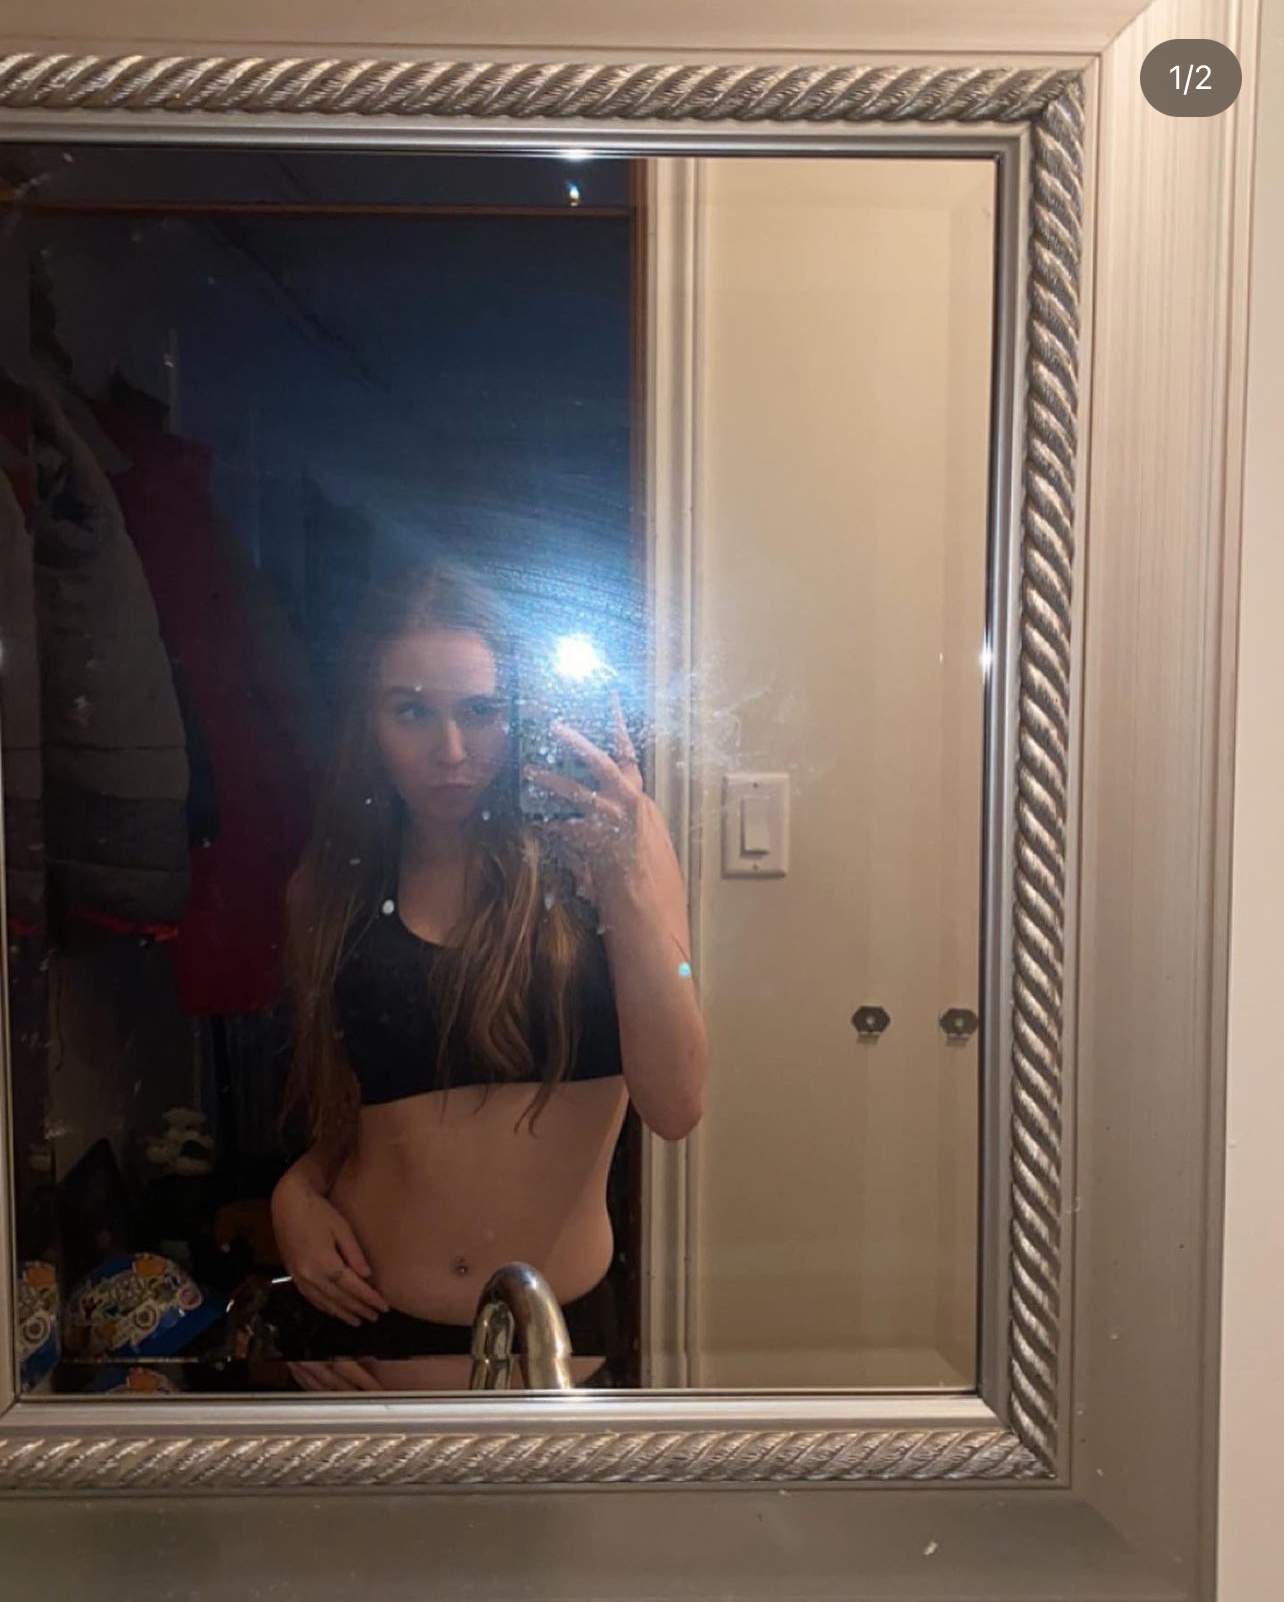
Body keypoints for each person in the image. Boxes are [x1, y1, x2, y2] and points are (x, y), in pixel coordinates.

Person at [269, 562, 706, 1390]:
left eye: (481, 711)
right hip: (363, 1328)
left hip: (556, 1335)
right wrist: (295, 1197)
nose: (452, 752)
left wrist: (621, 880)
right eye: (411, 712)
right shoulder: (334, 882)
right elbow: (342, 1105)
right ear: (369, 721)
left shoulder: (619, 843)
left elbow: (677, 1102)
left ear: (522, 712)